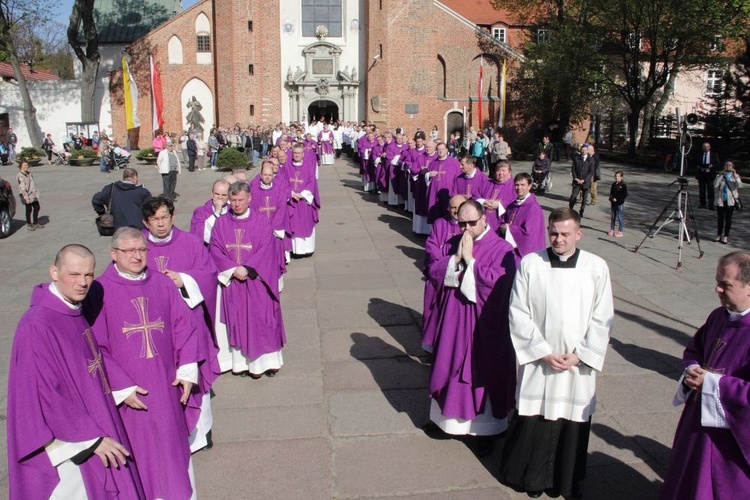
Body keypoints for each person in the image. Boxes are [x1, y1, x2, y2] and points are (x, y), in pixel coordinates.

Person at [7, 244, 145, 499]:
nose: (82, 283)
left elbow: (90, 365)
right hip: (65, 446)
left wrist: (121, 387)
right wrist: (89, 438)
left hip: (90, 425)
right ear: (54, 272)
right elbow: (42, 393)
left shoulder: (72, 312)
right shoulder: (37, 324)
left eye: (88, 275)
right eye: (74, 274)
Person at [499, 207, 614, 498]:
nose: (558, 239)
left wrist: (581, 354)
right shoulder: (530, 263)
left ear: (579, 233)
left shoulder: (596, 267)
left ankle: (566, 482)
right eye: (554, 232)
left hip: (577, 364)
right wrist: (541, 351)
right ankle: (531, 480)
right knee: (534, 420)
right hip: (540, 360)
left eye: (565, 234)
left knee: (571, 422)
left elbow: (603, 317)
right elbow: (518, 311)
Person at [85, 227, 203, 499]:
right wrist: (122, 387)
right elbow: (95, 345)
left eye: (141, 250)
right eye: (129, 251)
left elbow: (183, 325)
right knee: (141, 454)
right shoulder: (99, 291)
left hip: (166, 387)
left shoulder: (161, 283)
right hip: (130, 394)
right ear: (113, 253)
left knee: (172, 450)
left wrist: (187, 370)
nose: (137, 256)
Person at [425, 199, 517, 454]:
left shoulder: (503, 249)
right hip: (455, 320)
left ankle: (485, 430)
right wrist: (455, 260)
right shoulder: (455, 241)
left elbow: (502, 284)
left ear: (484, 219)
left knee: (481, 372)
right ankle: (447, 422)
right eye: (461, 223)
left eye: (472, 223)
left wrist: (471, 263)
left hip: (484, 325)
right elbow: (434, 269)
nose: (466, 228)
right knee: (449, 362)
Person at [661, 251, 750, 499]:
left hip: (731, 438)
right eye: (718, 282)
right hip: (697, 421)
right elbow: (694, 350)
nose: (717, 290)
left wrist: (711, 383)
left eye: (726, 284)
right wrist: (691, 369)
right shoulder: (718, 316)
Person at [142, 196, 220, 453]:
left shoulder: (191, 243)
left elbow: (209, 274)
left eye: (165, 217)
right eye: (154, 219)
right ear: (146, 222)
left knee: (194, 373)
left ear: (173, 217)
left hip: (189, 323)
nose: (161, 224)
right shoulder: (137, 248)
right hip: (154, 327)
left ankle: (201, 433)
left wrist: (183, 280)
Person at [209, 181, 286, 377]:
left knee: (263, 320)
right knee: (238, 321)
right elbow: (215, 250)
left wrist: (247, 268)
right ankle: (243, 364)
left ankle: (268, 363)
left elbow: (267, 249)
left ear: (249, 199)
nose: (236, 204)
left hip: (257, 280)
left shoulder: (261, 222)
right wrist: (233, 269)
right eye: (233, 200)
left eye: (240, 200)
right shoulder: (221, 223)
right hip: (234, 283)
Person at [421, 194, 465, 353]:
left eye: (459, 207)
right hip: (439, 275)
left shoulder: (468, 226)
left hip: (458, 279)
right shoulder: (440, 223)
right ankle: (430, 345)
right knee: (434, 310)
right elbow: (431, 247)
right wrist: (446, 264)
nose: (455, 210)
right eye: (452, 207)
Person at [249, 161, 289, 289]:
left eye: (270, 175)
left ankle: (277, 285)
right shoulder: (253, 191)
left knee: (275, 257)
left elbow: (282, 210)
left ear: (273, 176)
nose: (267, 177)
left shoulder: (278, 191)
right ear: (260, 175)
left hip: (274, 232)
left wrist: (272, 228)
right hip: (259, 233)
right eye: (265, 174)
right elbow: (252, 210)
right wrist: (260, 228)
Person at [281, 143, 320, 256]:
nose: (297, 155)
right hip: (292, 201)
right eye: (295, 153)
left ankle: (308, 249)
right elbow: (282, 182)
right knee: (293, 225)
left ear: (303, 154)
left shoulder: (308, 167)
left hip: (304, 202)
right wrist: (292, 193)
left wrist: (303, 194)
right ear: (291, 153)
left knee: (306, 224)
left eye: (299, 153)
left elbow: (312, 182)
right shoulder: (286, 167)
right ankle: (296, 250)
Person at [498, 173, 547, 264]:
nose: (519, 187)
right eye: (516, 185)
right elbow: (502, 220)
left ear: (529, 186)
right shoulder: (512, 205)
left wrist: (508, 229)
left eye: (522, 185)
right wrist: (502, 226)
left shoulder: (533, 208)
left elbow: (529, 234)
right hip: (510, 251)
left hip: (524, 254)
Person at [191, 179, 230, 245]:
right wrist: (216, 213)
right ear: (212, 194)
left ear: (229, 196)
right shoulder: (200, 212)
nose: (220, 197)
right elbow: (199, 235)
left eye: (224, 195)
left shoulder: (233, 211)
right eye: (217, 194)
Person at [480, 160, 516, 231]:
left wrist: (499, 204)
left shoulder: (514, 187)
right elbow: (476, 195)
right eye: (498, 170)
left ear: (509, 173)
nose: (500, 173)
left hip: (501, 224)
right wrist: (483, 202)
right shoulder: (487, 183)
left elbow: (516, 204)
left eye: (503, 170)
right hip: (482, 222)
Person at [713, 160, 742, 245]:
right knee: (720, 219)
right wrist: (721, 175)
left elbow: (739, 185)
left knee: (728, 219)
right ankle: (719, 235)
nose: (728, 167)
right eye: (726, 165)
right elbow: (715, 185)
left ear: (732, 167)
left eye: (730, 165)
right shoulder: (720, 175)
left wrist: (735, 175)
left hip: (730, 201)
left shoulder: (735, 176)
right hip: (721, 200)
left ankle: (726, 236)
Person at [16, 158, 44, 231]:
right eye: (24, 165)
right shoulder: (20, 175)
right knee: (28, 209)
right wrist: (26, 197)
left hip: (33, 194)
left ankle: (35, 222)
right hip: (26, 195)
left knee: (37, 207)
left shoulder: (29, 173)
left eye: (27, 165)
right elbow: (22, 187)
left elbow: (32, 184)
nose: (26, 166)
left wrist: (36, 193)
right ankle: (29, 224)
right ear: (21, 166)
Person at [568, 144, 593, 218]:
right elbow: (573, 169)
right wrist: (576, 178)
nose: (584, 151)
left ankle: (581, 211)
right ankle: (570, 210)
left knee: (584, 199)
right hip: (577, 181)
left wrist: (584, 180)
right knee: (573, 196)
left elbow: (591, 172)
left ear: (588, 151)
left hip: (585, 182)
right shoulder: (577, 158)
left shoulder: (591, 160)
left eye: (585, 150)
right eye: (583, 150)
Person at [695, 142, 721, 210]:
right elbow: (695, 162)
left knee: (710, 190)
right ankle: (702, 203)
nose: (706, 148)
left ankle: (711, 205)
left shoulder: (714, 155)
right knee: (702, 190)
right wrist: (698, 166)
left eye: (707, 146)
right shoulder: (699, 154)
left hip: (710, 174)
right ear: (702, 147)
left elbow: (717, 163)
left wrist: (713, 165)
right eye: (704, 146)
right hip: (702, 174)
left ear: (709, 147)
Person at [608, 170, 628, 237]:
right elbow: (611, 193)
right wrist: (611, 198)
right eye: (616, 176)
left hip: (619, 203)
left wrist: (618, 199)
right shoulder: (614, 184)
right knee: (613, 216)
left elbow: (624, 195)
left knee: (620, 217)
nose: (616, 178)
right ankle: (612, 229)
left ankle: (620, 231)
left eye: (618, 176)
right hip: (613, 203)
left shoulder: (623, 185)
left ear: (621, 177)